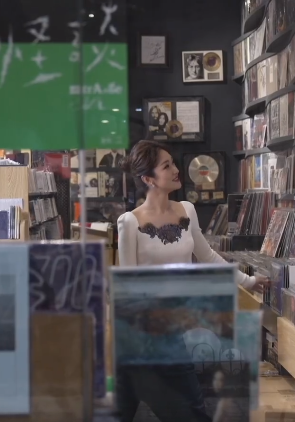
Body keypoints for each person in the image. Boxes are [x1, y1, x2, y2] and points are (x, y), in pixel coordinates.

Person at [115, 141, 267, 422]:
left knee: (178, 407)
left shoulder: (187, 209)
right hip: (147, 334)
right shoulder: (129, 222)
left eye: (173, 163)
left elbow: (208, 256)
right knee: (188, 408)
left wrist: (247, 281)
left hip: (172, 329)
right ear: (148, 179)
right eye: (166, 166)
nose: (176, 169)